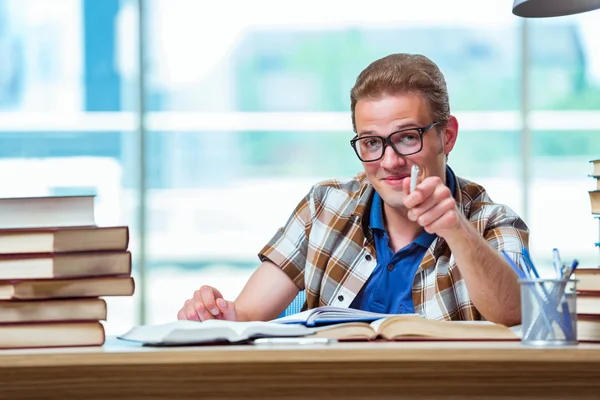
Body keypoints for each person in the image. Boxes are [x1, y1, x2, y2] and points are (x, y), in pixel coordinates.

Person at [177, 53, 529, 327]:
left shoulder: (493, 221)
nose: (389, 161)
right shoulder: (324, 206)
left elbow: (516, 314)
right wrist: (216, 313)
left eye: (407, 138)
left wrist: (456, 230)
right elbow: (247, 314)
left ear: (446, 136)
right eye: (372, 142)